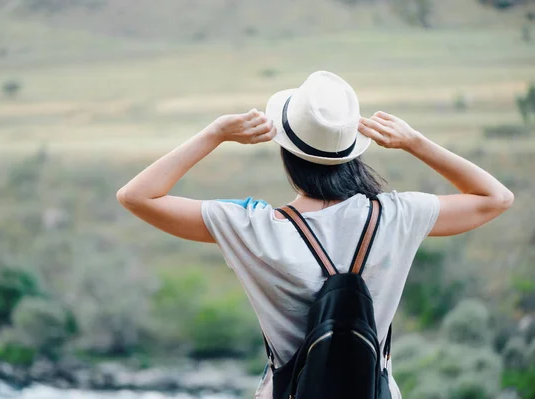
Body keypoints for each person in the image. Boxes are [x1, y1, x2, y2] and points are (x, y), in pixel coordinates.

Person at [116, 71, 514, 398]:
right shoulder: (397, 215)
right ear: (354, 152)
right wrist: (415, 142)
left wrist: (216, 133)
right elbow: (496, 197)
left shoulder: (253, 227)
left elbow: (136, 196)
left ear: (286, 154)